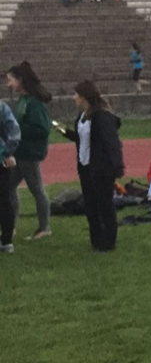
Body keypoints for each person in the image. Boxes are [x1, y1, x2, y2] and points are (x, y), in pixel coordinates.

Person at [56, 81, 124, 252]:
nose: (73, 98)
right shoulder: (81, 117)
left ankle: (108, 242)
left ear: (84, 96)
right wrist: (65, 132)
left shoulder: (101, 117)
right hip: (85, 168)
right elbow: (82, 139)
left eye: (76, 95)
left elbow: (112, 143)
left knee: (105, 205)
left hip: (101, 169)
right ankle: (96, 239)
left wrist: (116, 167)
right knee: (91, 206)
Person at [5, 62, 53, 240]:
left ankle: (44, 227)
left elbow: (42, 128)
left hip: (29, 154)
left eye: (10, 80)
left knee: (37, 189)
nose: (8, 84)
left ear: (20, 80)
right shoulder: (23, 101)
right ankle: (11, 225)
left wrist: (17, 129)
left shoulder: (34, 103)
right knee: (9, 187)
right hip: (20, 153)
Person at [0, 98, 21, 254]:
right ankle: (7, 240)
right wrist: (8, 152)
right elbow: (14, 131)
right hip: (2, 159)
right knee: (4, 199)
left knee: (4, 200)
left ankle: (6, 240)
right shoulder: (2, 107)